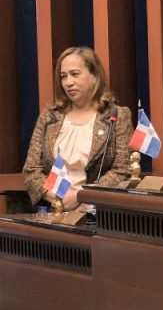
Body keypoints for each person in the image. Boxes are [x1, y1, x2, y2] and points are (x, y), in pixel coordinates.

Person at [23, 46, 132, 210]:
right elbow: (32, 170)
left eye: (75, 74)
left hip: (98, 214)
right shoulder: (49, 117)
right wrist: (57, 197)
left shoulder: (117, 116)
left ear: (94, 75)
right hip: (54, 210)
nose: (68, 82)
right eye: (63, 76)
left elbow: (122, 170)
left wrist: (83, 196)